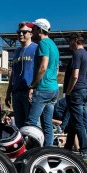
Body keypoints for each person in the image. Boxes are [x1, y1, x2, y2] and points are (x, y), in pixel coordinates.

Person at [25, 18, 59, 147]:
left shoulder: (43, 44)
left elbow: (43, 66)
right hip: (53, 88)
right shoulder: (53, 45)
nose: (31, 31)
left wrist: (32, 85)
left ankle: (31, 151)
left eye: (33, 29)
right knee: (47, 124)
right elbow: (55, 69)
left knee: (31, 122)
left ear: (39, 29)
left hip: (43, 88)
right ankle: (48, 150)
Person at [62, 33, 87, 159]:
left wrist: (69, 91)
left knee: (78, 122)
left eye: (69, 40)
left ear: (75, 40)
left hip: (76, 91)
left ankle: (84, 150)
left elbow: (74, 75)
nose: (68, 43)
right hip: (85, 91)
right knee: (85, 122)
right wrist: (85, 84)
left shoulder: (76, 54)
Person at [5, 21, 37, 128]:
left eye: (24, 32)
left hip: (29, 92)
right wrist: (8, 91)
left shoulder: (36, 48)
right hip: (16, 92)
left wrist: (34, 87)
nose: (20, 34)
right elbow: (13, 73)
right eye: (19, 32)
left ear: (31, 34)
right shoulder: (16, 51)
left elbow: (42, 70)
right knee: (19, 125)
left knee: (31, 124)